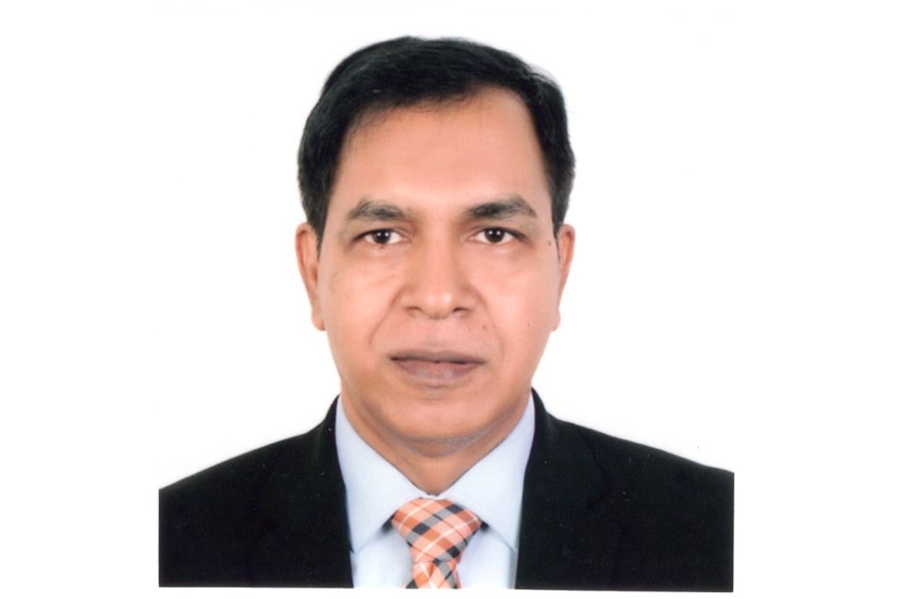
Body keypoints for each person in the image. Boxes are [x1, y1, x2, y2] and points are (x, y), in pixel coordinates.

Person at [159, 36, 733, 590]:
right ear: (313, 271)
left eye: (494, 234)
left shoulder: (720, 532)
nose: (437, 297)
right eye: (383, 235)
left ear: (560, 269)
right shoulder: (167, 540)